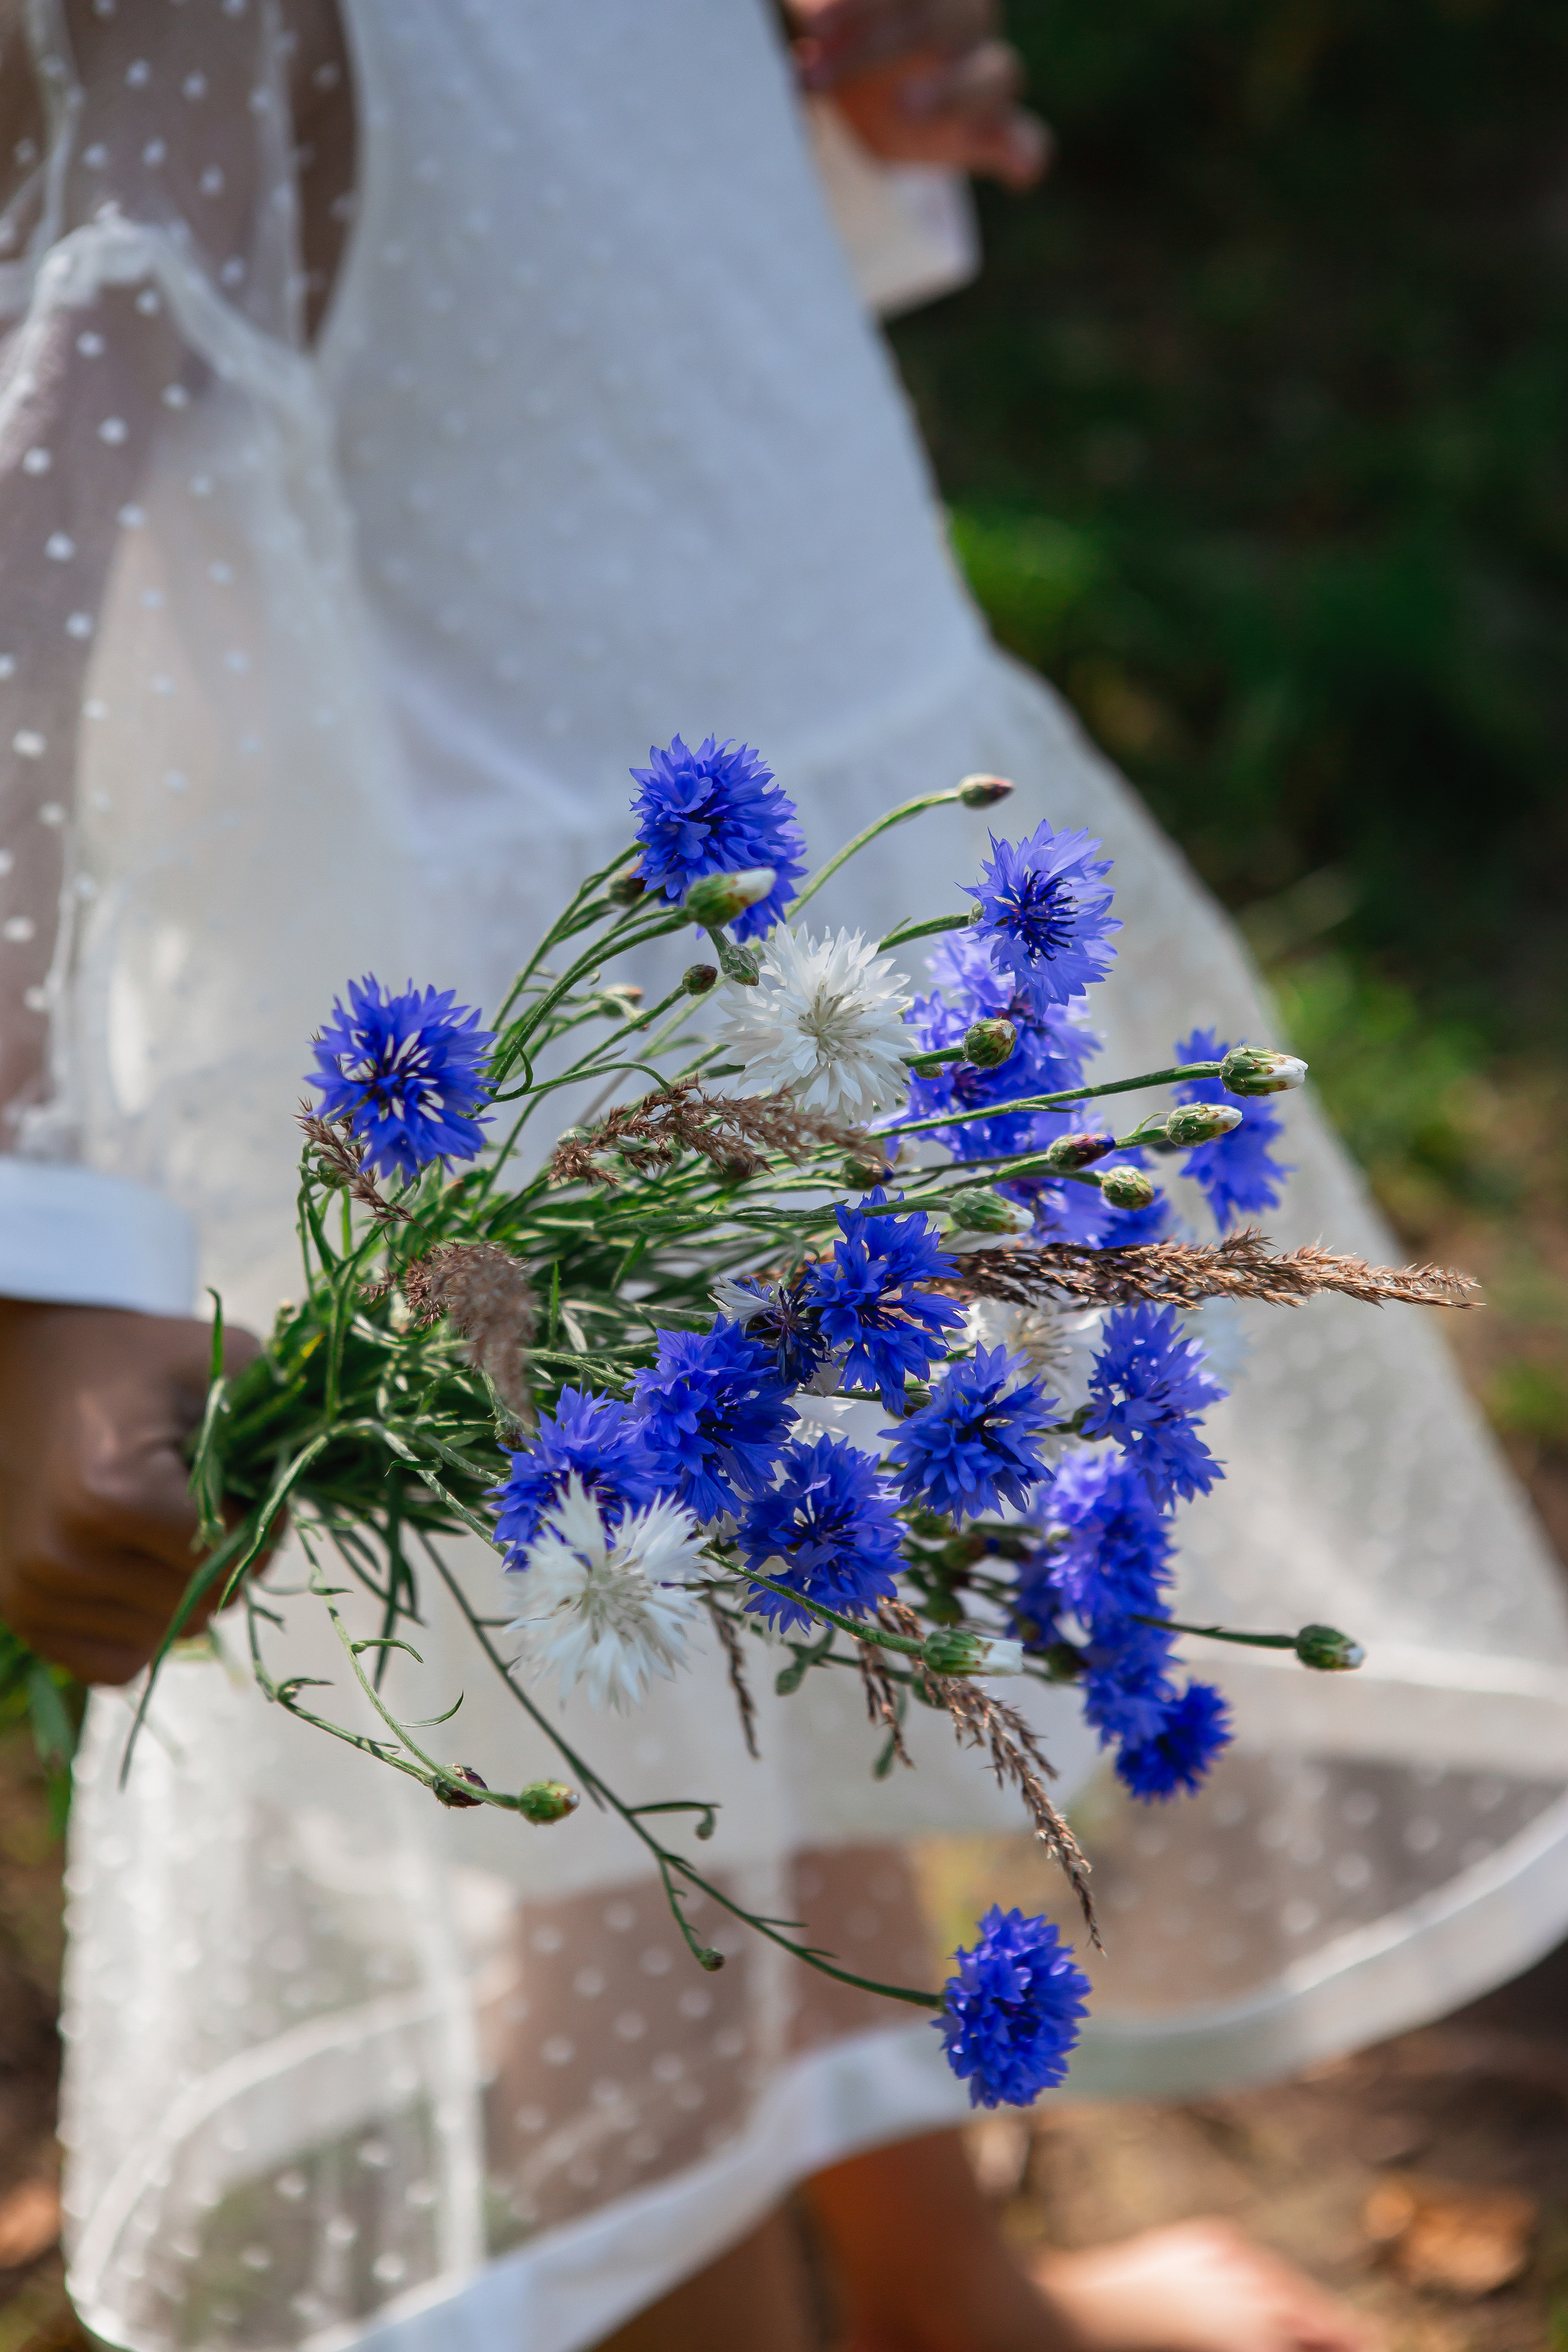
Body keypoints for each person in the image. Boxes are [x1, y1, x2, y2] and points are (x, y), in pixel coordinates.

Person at [0, 4, 1562, 2347]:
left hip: (734, 735)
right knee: (613, 1775)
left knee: (799, 1619)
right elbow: (63, 441)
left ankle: (937, 2281)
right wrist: (51, 1234)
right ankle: (715, 2302)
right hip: (495, 967)